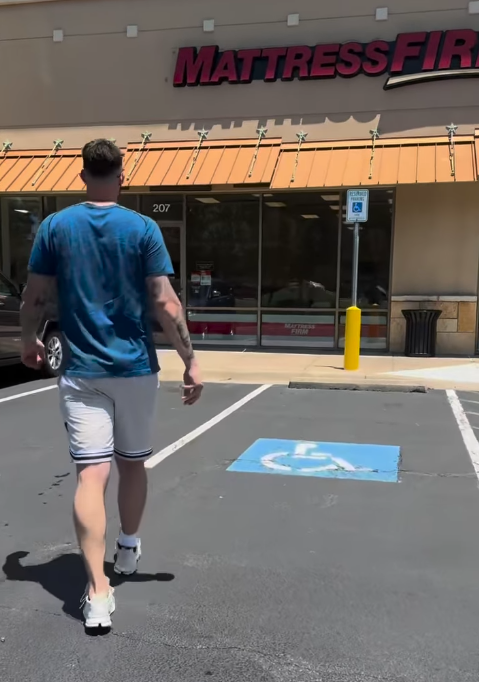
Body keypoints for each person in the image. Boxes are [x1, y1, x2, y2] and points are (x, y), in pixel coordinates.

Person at [20, 139, 203, 629]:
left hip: (81, 372)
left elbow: (35, 295)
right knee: (133, 465)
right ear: (122, 175)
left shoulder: (55, 227)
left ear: (83, 177)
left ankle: (97, 593)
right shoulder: (142, 228)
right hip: (135, 370)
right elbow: (165, 302)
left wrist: (29, 340)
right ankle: (126, 549)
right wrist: (190, 360)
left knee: (90, 475)